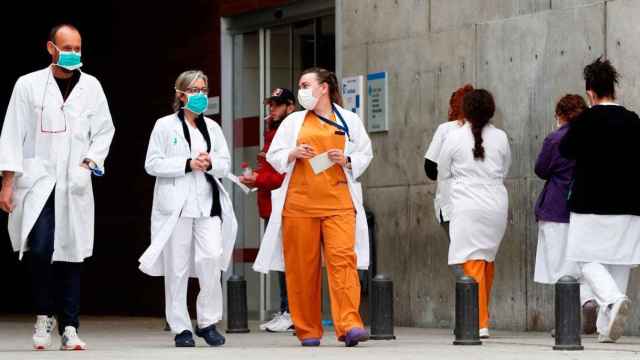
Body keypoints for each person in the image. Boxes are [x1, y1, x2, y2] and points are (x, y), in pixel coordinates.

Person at [0, 24, 115, 351]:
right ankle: (43, 315)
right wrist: (7, 184)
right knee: (39, 249)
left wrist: (89, 163)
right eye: (67, 47)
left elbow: (104, 131)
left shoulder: (91, 86)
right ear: (51, 48)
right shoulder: (28, 85)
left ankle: (70, 327)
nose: (74, 53)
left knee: (72, 253)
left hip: (73, 183)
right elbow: (12, 134)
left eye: (78, 47)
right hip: (36, 182)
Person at [253, 67, 373, 347]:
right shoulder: (294, 121)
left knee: (343, 261)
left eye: (306, 85)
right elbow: (274, 156)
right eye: (300, 85)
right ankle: (308, 329)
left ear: (323, 88)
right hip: (299, 205)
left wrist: (346, 159)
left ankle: (350, 325)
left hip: (339, 203)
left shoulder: (349, 120)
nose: (302, 90)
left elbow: (365, 152)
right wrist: (293, 153)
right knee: (301, 268)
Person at [139, 70, 237, 347]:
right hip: (176, 208)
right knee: (177, 268)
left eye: (204, 90)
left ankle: (207, 321)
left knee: (211, 259)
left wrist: (209, 163)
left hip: (207, 205)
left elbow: (225, 164)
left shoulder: (213, 128)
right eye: (194, 91)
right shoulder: (164, 126)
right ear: (180, 95)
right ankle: (181, 327)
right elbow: (152, 164)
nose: (200, 96)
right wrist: (186, 163)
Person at [560, 57, 640, 343]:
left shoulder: (585, 121)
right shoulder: (633, 120)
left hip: (590, 202)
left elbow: (565, 150)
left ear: (590, 93)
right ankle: (607, 330)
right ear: (614, 89)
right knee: (619, 261)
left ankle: (612, 299)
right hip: (630, 204)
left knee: (584, 259)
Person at [438, 89, 510, 339]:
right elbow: (505, 167)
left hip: (467, 204)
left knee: (471, 261)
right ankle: (481, 315)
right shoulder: (500, 137)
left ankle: (477, 321)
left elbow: (442, 170)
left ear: (465, 111)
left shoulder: (454, 137)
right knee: (486, 260)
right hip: (496, 204)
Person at [533, 94, 598, 335]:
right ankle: (589, 299)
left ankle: (567, 323)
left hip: (556, 208)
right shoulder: (593, 138)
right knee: (584, 263)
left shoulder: (556, 138)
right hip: (587, 209)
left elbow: (541, 169)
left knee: (561, 268)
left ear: (560, 115)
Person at [240, 88, 295, 332]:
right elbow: (270, 167)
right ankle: (286, 310)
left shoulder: (289, 131)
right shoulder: (273, 131)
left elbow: (283, 175)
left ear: (289, 107)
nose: (271, 109)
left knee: (288, 262)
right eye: (270, 104)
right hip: (271, 205)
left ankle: (291, 312)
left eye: (277, 105)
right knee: (281, 261)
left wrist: (257, 180)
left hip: (285, 205)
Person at [424, 84, 474, 279]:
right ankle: (479, 304)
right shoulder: (490, 132)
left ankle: (471, 303)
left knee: (459, 257)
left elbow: (430, 168)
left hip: (452, 204)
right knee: (477, 257)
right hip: (481, 203)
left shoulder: (446, 130)